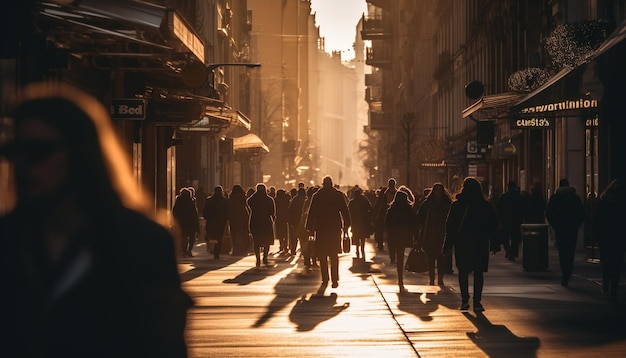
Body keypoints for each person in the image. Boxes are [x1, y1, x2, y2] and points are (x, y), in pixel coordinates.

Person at [0, 82, 192, 357]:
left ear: (81, 154)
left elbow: (164, 344)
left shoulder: (140, 242)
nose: (23, 165)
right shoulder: (8, 239)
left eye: (37, 152)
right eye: (15, 152)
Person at [443, 177, 498, 312]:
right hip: (480, 242)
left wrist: (447, 243)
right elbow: (492, 225)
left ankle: (464, 300)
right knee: (478, 273)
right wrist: (495, 243)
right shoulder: (484, 205)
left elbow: (450, 226)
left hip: (462, 243)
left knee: (463, 272)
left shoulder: (457, 205)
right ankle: (477, 302)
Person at [305, 176, 351, 288]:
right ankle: (335, 279)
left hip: (321, 228)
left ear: (323, 184)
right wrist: (346, 225)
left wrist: (309, 228)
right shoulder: (338, 195)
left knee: (322, 254)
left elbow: (312, 213)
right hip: (334, 228)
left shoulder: (317, 196)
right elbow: (345, 211)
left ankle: (325, 278)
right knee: (334, 254)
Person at [545, 178, 586, 287]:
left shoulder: (555, 198)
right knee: (570, 251)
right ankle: (568, 272)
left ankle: (564, 273)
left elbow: (548, 213)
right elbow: (582, 213)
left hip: (560, 229)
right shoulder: (575, 198)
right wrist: (576, 225)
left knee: (562, 252)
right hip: (572, 229)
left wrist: (555, 225)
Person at [415, 183, 453, 286]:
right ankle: (432, 278)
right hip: (429, 234)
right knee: (430, 258)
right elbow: (419, 217)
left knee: (441, 258)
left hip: (442, 235)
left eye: (440, 191)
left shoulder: (447, 204)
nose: (438, 193)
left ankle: (440, 278)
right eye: (436, 190)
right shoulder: (427, 204)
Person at [594, 179, 626, 298]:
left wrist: (597, 236)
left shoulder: (604, 202)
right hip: (619, 237)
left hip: (606, 237)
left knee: (607, 262)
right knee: (617, 264)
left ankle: (606, 285)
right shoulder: (622, 203)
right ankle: (614, 289)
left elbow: (597, 221)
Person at [385, 188, 417, 293]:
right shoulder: (408, 209)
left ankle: (399, 276)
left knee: (397, 255)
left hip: (394, 235)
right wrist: (415, 236)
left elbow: (387, 223)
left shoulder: (391, 209)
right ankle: (400, 276)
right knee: (401, 255)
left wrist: (387, 233)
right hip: (404, 235)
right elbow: (413, 223)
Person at [247, 183, 276, 268]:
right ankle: (265, 257)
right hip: (266, 221)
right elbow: (272, 211)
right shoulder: (269, 199)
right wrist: (272, 220)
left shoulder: (253, 199)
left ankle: (258, 258)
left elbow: (248, 201)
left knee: (256, 240)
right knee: (267, 241)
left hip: (255, 221)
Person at [496, 181, 523, 260]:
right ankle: (513, 252)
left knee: (505, 237)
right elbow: (522, 209)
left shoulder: (503, 197)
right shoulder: (518, 197)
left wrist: (499, 219)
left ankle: (508, 250)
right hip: (516, 220)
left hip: (505, 220)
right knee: (515, 238)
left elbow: (498, 209)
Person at [203, 185, 230, 259]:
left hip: (211, 221)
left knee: (211, 235)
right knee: (219, 237)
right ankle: (217, 253)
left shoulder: (209, 200)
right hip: (221, 222)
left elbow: (205, 210)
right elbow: (227, 212)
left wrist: (206, 217)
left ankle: (212, 249)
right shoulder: (225, 201)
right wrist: (227, 219)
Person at [173, 187, 200, 257]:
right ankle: (189, 250)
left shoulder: (178, 201)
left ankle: (184, 250)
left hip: (181, 222)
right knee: (191, 237)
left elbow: (174, 211)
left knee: (183, 237)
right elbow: (194, 213)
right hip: (190, 222)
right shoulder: (191, 201)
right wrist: (196, 223)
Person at [348, 187, 373, 260]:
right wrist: (367, 216)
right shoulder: (364, 200)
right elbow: (370, 209)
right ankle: (362, 250)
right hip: (363, 222)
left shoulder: (352, 202)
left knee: (356, 237)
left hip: (355, 222)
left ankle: (357, 250)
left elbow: (349, 212)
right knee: (362, 238)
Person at [228, 184, 251, 256]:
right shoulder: (243, 196)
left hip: (233, 216)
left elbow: (229, 206)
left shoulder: (231, 197)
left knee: (234, 232)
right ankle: (243, 248)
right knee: (243, 232)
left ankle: (235, 248)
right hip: (243, 215)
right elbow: (246, 205)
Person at [288, 187, 307, 256]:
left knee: (294, 236)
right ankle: (303, 250)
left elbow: (290, 210)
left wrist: (290, 221)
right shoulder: (305, 200)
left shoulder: (294, 199)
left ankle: (293, 249)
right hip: (303, 221)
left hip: (295, 221)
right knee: (303, 237)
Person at [274, 188, 291, 254]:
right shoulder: (287, 200)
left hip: (278, 218)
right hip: (285, 218)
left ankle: (281, 245)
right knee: (285, 233)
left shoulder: (276, 200)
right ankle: (285, 246)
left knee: (280, 233)